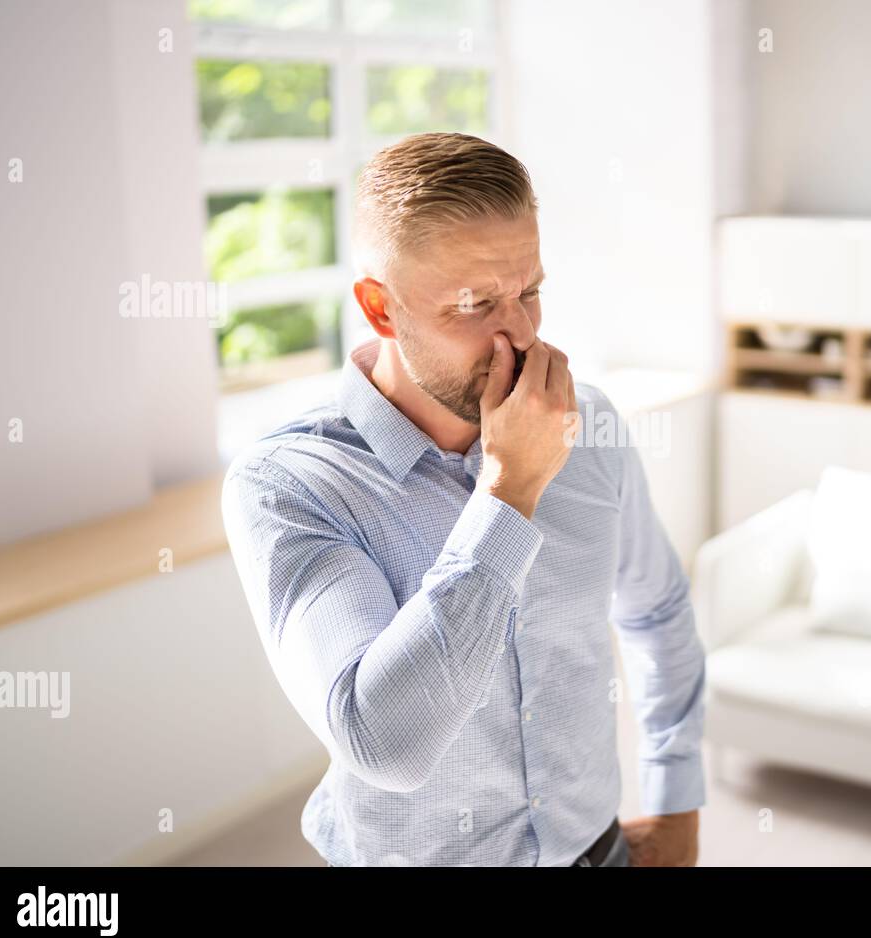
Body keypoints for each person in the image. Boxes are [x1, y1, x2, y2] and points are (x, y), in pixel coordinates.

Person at [221, 132, 706, 867]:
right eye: (475, 303)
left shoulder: (592, 423)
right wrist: (510, 494)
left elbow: (657, 608)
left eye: (531, 291)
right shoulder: (292, 485)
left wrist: (678, 803)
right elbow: (383, 743)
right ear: (380, 307)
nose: (520, 332)